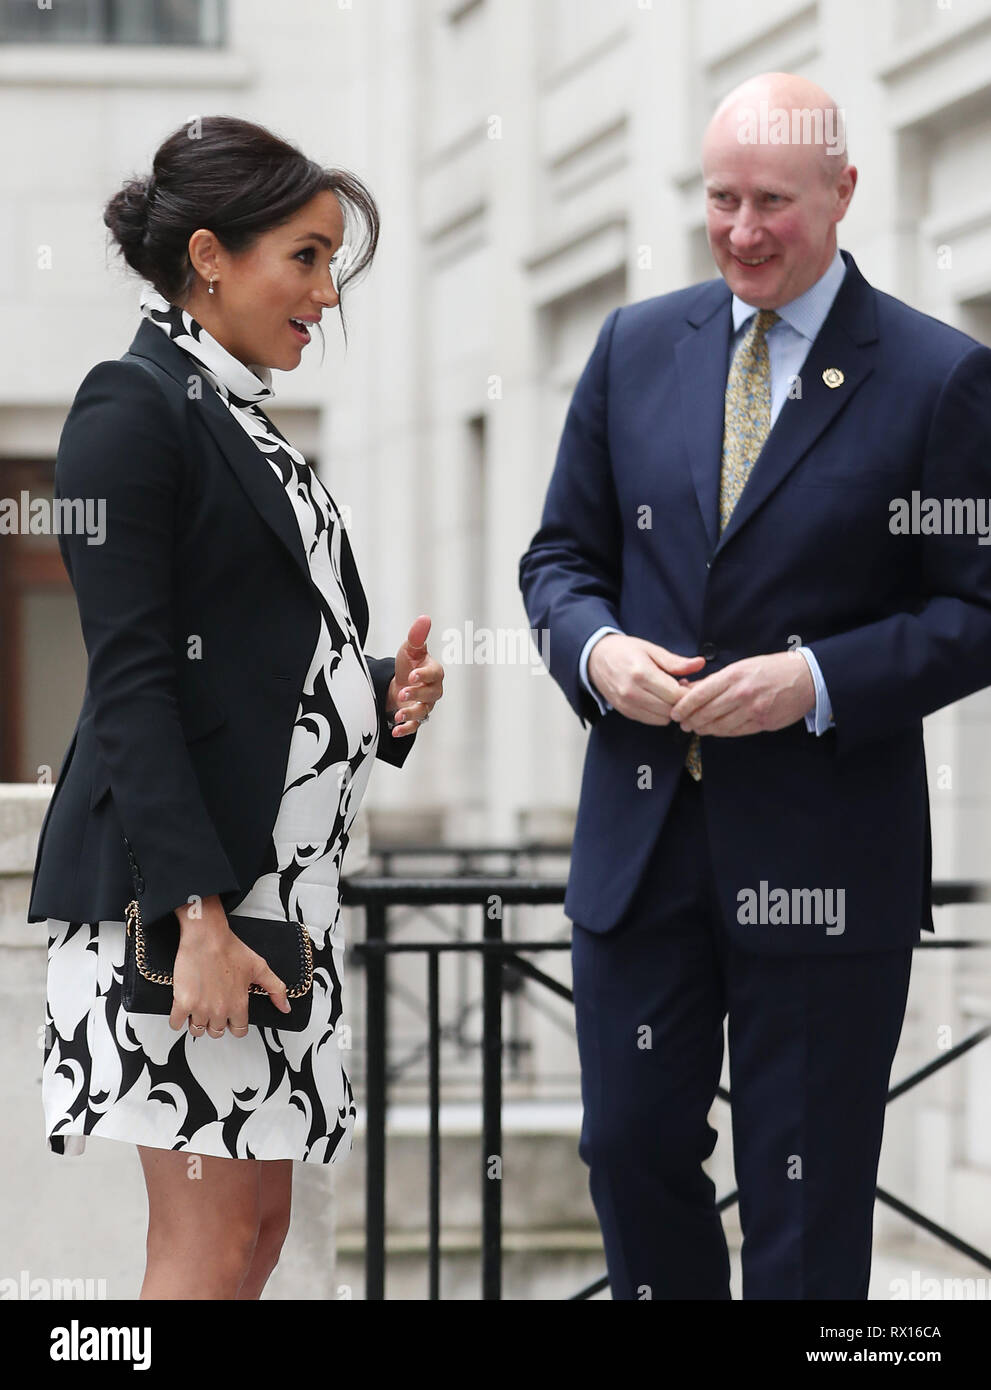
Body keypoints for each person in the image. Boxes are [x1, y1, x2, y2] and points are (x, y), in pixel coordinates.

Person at [519, 71, 991, 1299]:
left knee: (803, 1197)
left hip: (826, 860)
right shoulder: (631, 348)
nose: (739, 230)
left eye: (770, 201)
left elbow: (977, 611)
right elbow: (562, 556)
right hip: (642, 841)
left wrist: (816, 679)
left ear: (843, 190)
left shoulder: (940, 376)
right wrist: (593, 650)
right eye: (719, 199)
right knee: (625, 1151)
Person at [27, 115, 444, 1300]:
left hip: (273, 906)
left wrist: (375, 700)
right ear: (209, 255)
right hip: (188, 909)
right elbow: (133, 681)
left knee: (255, 1233)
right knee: (206, 1246)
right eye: (305, 257)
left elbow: (250, 669)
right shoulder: (133, 405)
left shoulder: (242, 414)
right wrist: (194, 914)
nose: (325, 292)